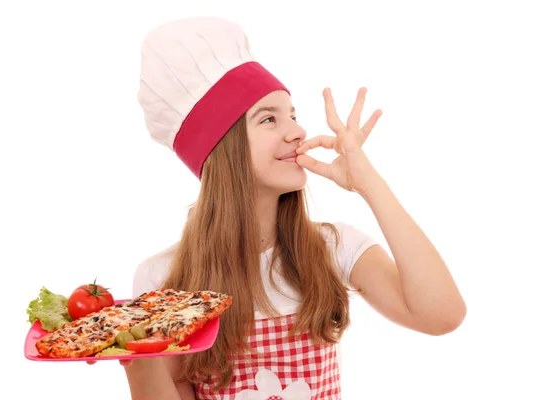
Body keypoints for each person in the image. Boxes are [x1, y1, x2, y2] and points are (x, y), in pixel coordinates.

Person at [122, 16, 467, 400]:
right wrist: (136, 350)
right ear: (221, 148)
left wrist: (370, 184)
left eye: (293, 115)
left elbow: (441, 315)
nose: (297, 131)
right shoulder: (163, 280)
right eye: (269, 118)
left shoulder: (333, 247)